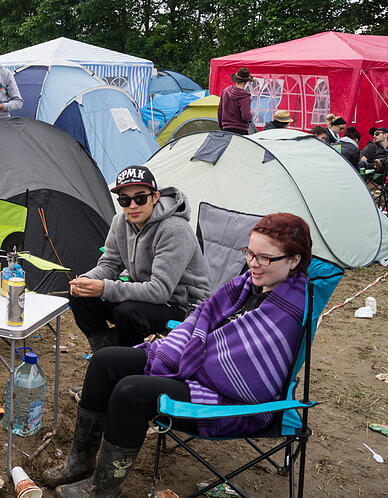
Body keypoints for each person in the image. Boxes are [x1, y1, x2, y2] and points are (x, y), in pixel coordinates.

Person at [42, 213, 313, 497]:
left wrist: (192, 353)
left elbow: (248, 372)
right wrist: (186, 347)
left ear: (293, 260)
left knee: (130, 391)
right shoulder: (246, 285)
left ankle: (102, 489)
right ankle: (81, 461)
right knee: (105, 360)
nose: (253, 264)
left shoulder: (289, 308)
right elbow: (202, 318)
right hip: (197, 366)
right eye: (250, 253)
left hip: (231, 398)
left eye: (265, 258)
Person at [68, 165, 211, 351]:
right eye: (125, 201)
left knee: (128, 312)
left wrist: (105, 288)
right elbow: (110, 263)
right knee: (80, 296)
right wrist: (88, 280)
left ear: (155, 197)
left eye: (140, 198)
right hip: (145, 296)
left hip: (184, 306)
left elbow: (159, 291)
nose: (133, 206)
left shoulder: (174, 230)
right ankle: (106, 350)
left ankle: (129, 361)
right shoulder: (119, 222)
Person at [217, 67, 255, 134]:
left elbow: (220, 111)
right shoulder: (245, 96)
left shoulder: (225, 91)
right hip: (241, 130)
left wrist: (221, 127)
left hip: (226, 128)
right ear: (247, 81)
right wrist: (250, 114)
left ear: (236, 79)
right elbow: (245, 117)